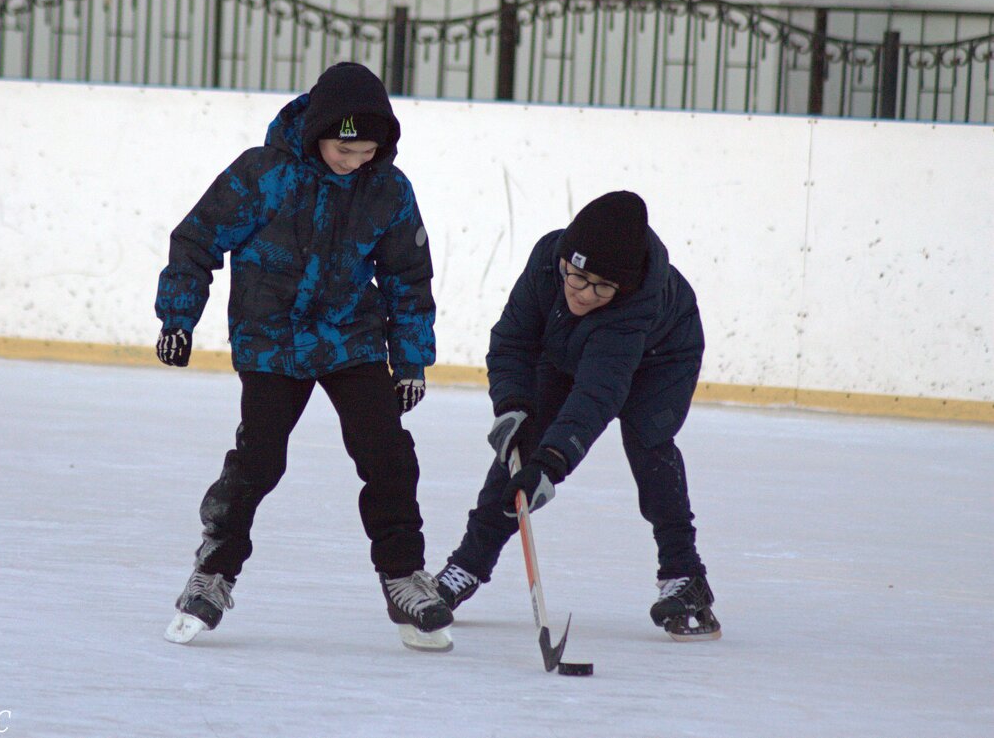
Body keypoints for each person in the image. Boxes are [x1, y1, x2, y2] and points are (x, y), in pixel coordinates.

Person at [154, 61, 453, 652]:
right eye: (345, 149)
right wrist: (177, 318)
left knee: (387, 453)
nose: (356, 161)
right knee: (260, 460)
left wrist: (412, 360)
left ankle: (402, 576)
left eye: (368, 150)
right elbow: (196, 240)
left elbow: (407, 278)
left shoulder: (388, 189)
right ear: (318, 131)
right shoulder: (264, 174)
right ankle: (214, 571)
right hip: (271, 341)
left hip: (351, 339)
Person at [434, 190, 721, 641]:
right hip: (567, 351)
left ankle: (686, 577)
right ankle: (465, 567)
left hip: (660, 357)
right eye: (577, 278)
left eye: (602, 287)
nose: (585, 294)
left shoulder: (635, 306)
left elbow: (596, 395)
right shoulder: (549, 261)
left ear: (622, 287)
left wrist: (552, 462)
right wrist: (512, 406)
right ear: (565, 262)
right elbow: (512, 339)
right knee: (519, 451)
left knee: (648, 443)